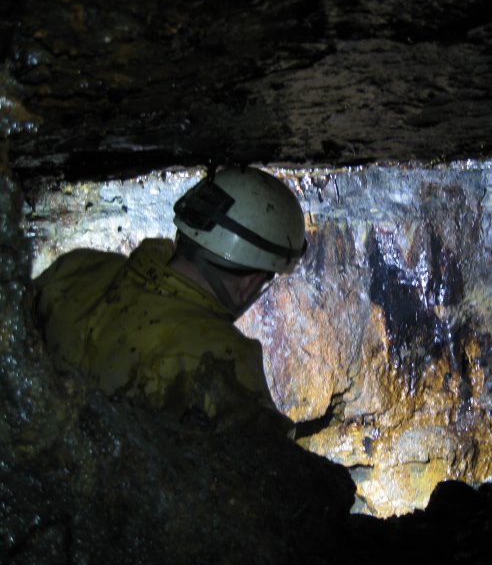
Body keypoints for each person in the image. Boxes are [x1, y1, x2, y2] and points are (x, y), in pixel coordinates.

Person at [33, 166, 307, 433]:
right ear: (250, 284)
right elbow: (271, 470)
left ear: (185, 231)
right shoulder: (223, 358)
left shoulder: (77, 267)